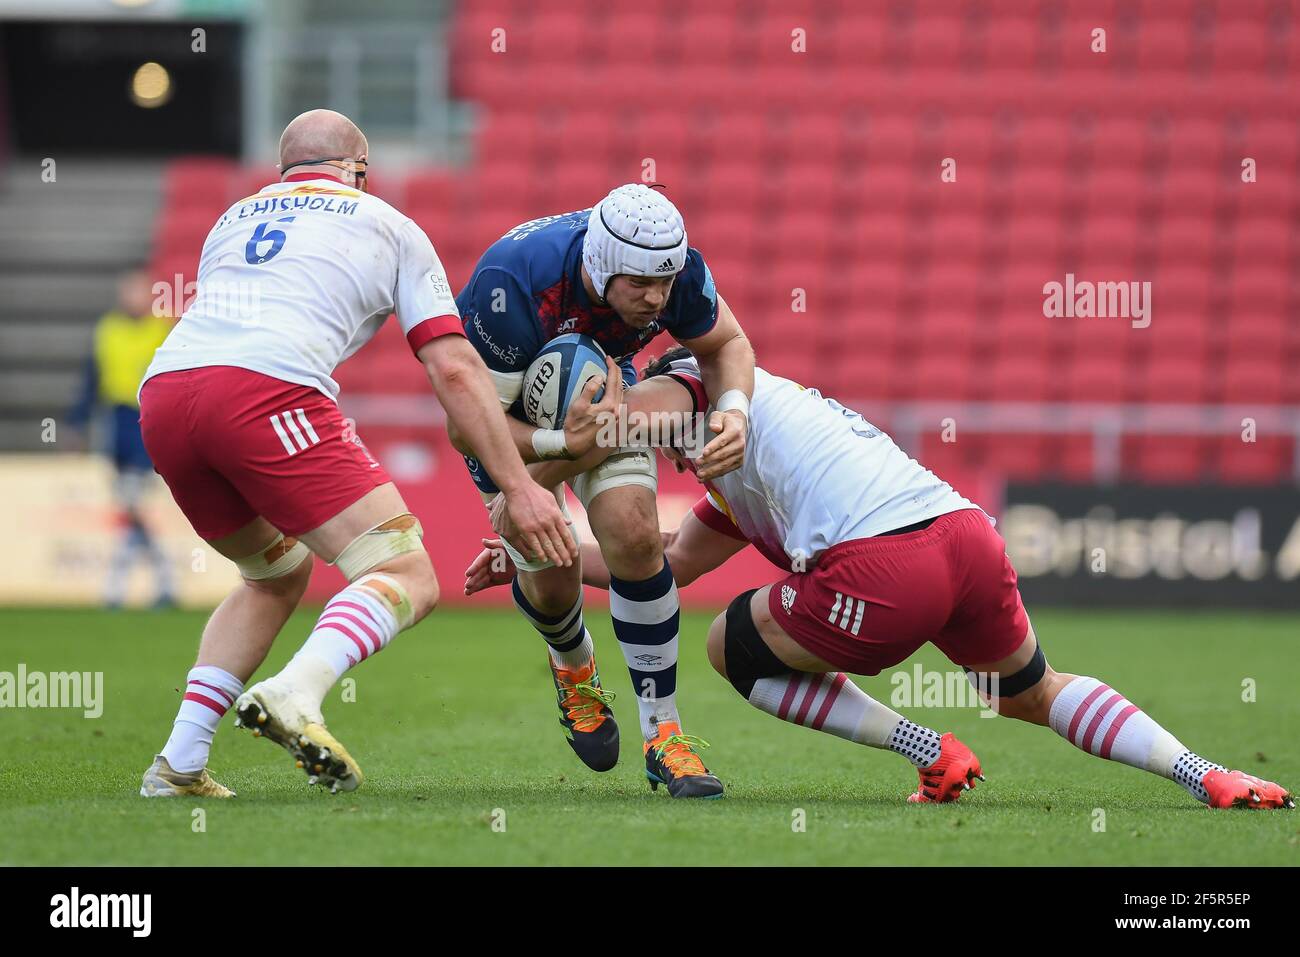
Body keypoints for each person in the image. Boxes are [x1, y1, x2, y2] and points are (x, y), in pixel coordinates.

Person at [466, 347, 1293, 810]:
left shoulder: (699, 389)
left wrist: (520, 474)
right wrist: (554, 550)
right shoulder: (748, 450)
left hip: (884, 568)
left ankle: (930, 750)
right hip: (966, 538)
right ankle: (1206, 773)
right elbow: (668, 563)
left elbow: (622, 424)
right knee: (1027, 690)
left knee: (732, 648)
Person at [137, 109, 573, 798]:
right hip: (264, 392)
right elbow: (454, 367)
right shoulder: (387, 223)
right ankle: (297, 694)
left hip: (164, 396)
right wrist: (519, 486)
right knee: (407, 569)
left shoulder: (232, 218)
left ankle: (177, 764)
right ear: (359, 172)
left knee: (273, 574)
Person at [448, 184, 755, 798]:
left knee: (636, 536)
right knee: (553, 570)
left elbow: (726, 344)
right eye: (640, 285)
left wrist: (735, 412)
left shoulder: (675, 268)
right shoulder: (512, 284)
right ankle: (573, 664)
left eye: (665, 283)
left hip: (606, 398)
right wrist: (563, 444)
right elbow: (466, 427)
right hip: (513, 433)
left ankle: (664, 737)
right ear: (600, 264)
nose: (657, 298)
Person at [68, 269, 176, 609]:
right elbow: (92, 378)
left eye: (139, 292)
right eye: (128, 292)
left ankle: (119, 587)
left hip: (147, 424)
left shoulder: (163, 329)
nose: (133, 298)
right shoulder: (108, 330)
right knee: (131, 509)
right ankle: (164, 583)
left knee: (132, 505)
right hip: (115, 425)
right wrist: (76, 423)